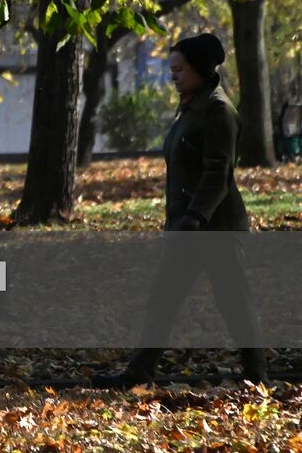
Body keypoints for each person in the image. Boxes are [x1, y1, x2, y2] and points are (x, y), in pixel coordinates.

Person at [93, 33, 268, 387]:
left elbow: (217, 172)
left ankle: (257, 375)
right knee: (163, 298)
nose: (172, 75)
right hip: (188, 227)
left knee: (233, 302)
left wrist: (194, 216)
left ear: (199, 69)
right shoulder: (190, 106)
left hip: (216, 228)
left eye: (178, 69)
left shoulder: (217, 110)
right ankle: (137, 373)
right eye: (171, 68)